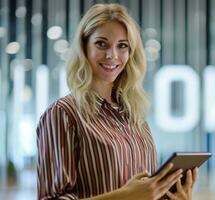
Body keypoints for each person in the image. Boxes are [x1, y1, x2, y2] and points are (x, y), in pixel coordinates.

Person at [37, 3, 197, 200]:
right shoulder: (63, 113)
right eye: (101, 44)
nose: (112, 55)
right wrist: (126, 196)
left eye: (122, 46)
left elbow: (144, 193)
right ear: (84, 47)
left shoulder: (134, 115)